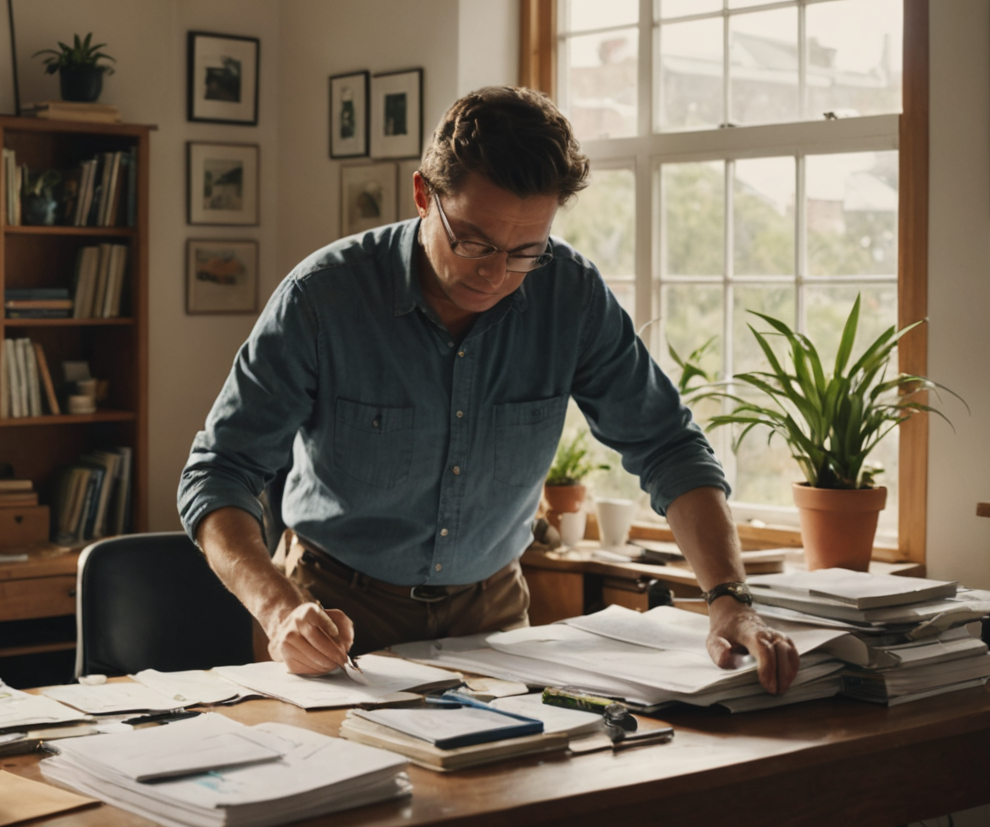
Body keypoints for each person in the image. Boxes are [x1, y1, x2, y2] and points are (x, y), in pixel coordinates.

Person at [178, 86, 799, 693]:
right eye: (474, 241)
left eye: (526, 249)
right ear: (424, 194)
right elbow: (218, 472)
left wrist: (730, 599)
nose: (497, 274)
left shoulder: (570, 296)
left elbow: (667, 446)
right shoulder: (323, 299)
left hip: (496, 616)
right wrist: (278, 608)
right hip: (334, 613)